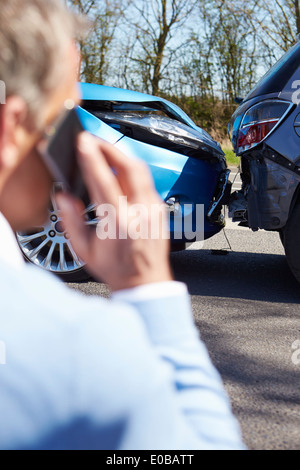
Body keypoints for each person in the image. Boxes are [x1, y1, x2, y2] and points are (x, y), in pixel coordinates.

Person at [0, 0, 245, 450]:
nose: (74, 142)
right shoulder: (76, 352)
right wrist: (147, 288)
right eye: (64, 117)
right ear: (13, 128)